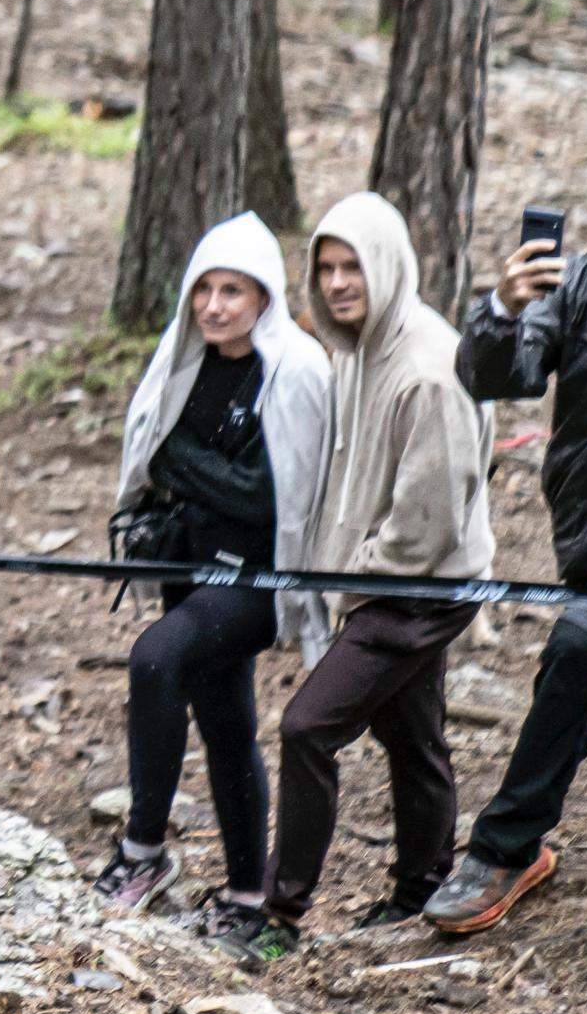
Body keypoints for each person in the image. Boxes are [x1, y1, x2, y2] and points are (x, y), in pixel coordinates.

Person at [243, 193, 495, 957]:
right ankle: (423, 889)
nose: (340, 283)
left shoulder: (426, 370)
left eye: (353, 266)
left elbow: (427, 526)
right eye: (326, 268)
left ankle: (280, 914)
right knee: (411, 731)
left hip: (418, 588)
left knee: (306, 728)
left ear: (385, 267)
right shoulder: (357, 348)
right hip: (382, 578)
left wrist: (347, 578)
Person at [430, 125, 587, 932]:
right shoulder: (582, 282)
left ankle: (505, 847)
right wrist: (502, 309)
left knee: (581, 643)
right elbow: (499, 376)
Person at [101, 212, 328, 938]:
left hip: (258, 578)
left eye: (234, 291)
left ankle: (142, 850)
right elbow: (155, 458)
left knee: (155, 658)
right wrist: (199, 479)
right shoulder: (185, 360)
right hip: (191, 564)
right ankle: (245, 896)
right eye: (205, 290)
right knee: (227, 722)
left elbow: (268, 496)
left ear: (264, 297)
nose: (215, 306)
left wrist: (186, 468)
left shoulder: (292, 371)